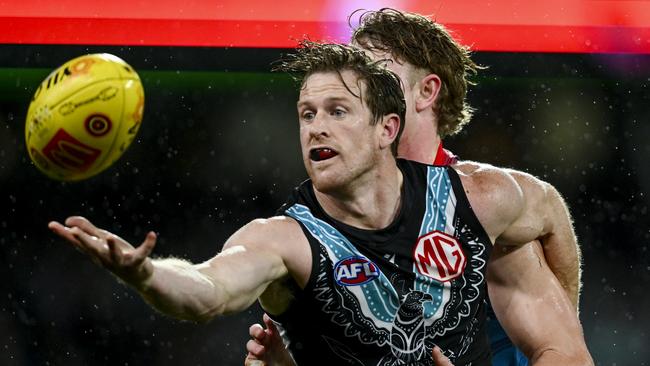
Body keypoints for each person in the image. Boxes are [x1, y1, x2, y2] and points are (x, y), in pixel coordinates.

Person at [50, 42, 591, 365]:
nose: (316, 128)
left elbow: (548, 213)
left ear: (387, 129)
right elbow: (207, 290)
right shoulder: (287, 240)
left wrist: (570, 297)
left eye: (337, 111)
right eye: (307, 114)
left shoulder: (474, 200)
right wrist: (146, 275)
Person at [244, 8, 589, 366]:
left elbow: (568, 355)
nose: (356, 89)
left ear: (426, 91)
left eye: (375, 75)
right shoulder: (325, 217)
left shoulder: (484, 212)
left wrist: (568, 320)